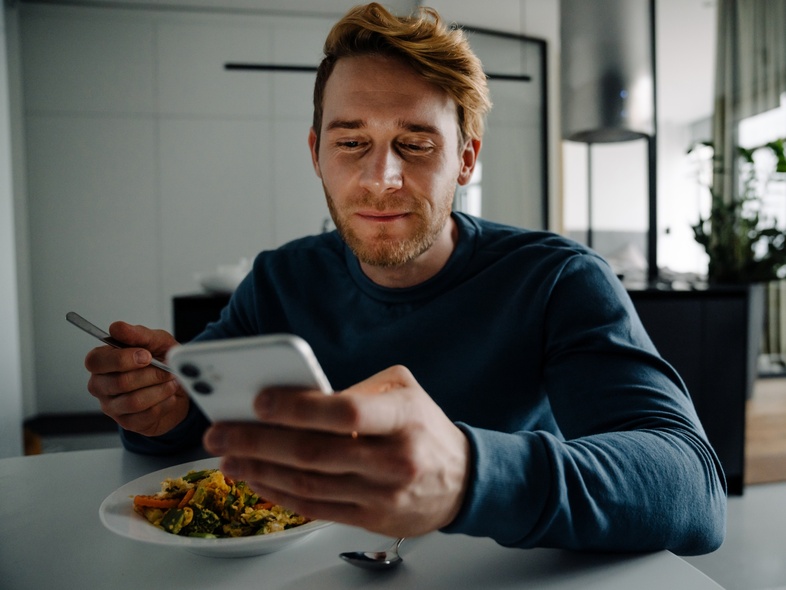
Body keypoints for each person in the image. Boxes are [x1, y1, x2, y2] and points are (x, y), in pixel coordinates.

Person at [84, 2, 726, 555]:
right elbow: (200, 426)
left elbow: (693, 488)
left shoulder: (559, 280)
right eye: (350, 143)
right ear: (316, 154)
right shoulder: (280, 278)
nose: (381, 178)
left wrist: (468, 475)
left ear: (465, 159)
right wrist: (159, 411)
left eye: (416, 144)